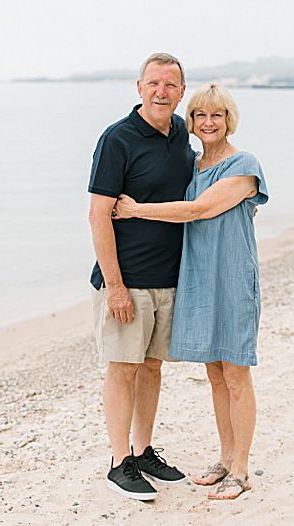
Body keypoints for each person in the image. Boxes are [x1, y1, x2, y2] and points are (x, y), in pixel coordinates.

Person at [113, 83, 267, 501]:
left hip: (233, 280)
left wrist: (135, 208)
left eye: (217, 115)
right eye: (201, 115)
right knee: (215, 374)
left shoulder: (243, 164)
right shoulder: (194, 165)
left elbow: (198, 211)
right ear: (191, 121)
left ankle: (241, 468)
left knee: (235, 373)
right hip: (200, 279)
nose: (209, 122)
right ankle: (225, 456)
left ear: (228, 119)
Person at [86, 52, 193, 501]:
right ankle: (118, 462)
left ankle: (144, 449)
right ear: (139, 88)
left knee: (151, 367)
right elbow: (97, 216)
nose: (161, 91)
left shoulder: (183, 134)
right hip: (126, 281)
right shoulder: (117, 139)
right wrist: (115, 287)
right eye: (153, 83)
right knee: (123, 367)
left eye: (170, 85)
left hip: (169, 278)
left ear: (182, 92)